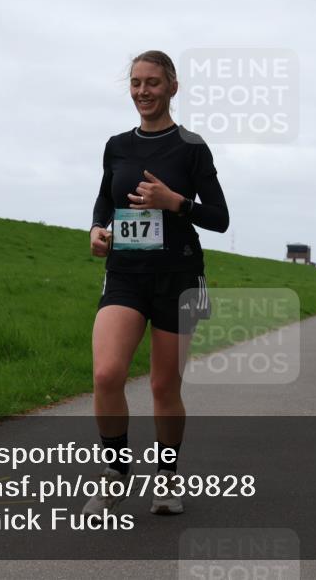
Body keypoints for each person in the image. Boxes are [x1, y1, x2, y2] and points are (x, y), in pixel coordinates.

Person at [86, 50, 229, 518]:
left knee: (165, 387)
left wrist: (174, 202)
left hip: (178, 278)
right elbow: (104, 202)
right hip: (126, 275)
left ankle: (166, 478)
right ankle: (114, 473)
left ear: (172, 87)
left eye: (152, 82)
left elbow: (220, 218)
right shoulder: (116, 145)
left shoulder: (191, 147)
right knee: (107, 374)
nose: (143, 91)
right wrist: (97, 231)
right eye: (135, 83)